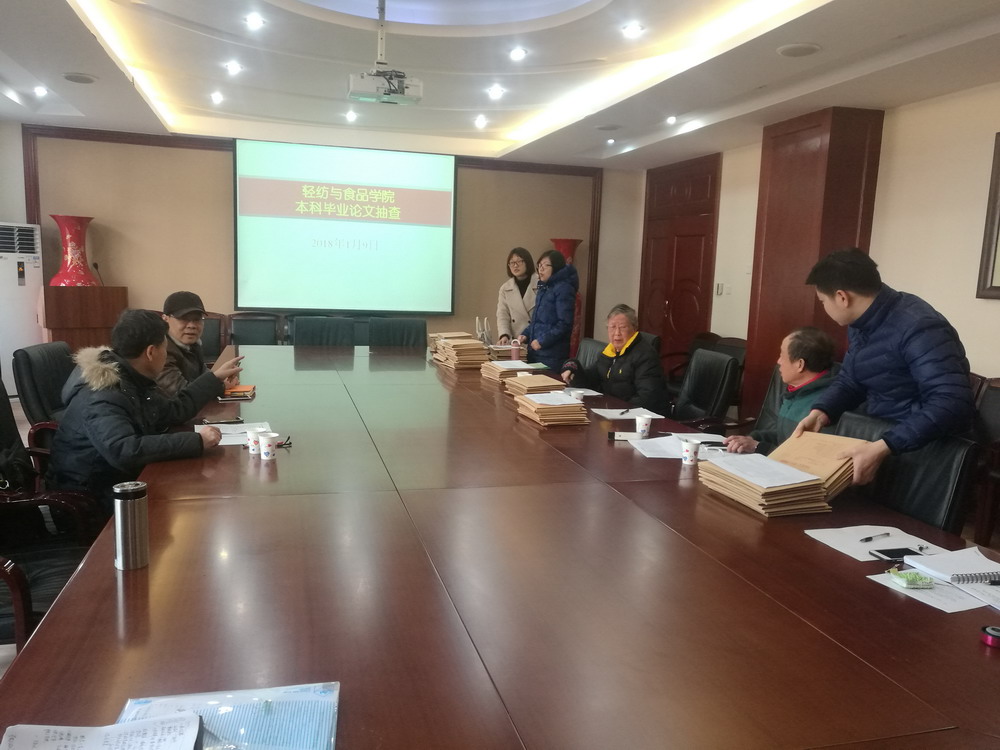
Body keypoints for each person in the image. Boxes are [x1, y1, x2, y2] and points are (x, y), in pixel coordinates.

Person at [793, 248, 974, 484]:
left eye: (823, 301)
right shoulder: (861, 322)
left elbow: (952, 401)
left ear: (842, 297)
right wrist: (821, 413)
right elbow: (851, 380)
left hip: (924, 448)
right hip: (884, 437)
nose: (824, 308)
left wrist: (886, 445)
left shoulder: (919, 326)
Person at [47, 309, 243, 514]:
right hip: (88, 501)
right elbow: (124, 450)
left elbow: (173, 410)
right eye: (165, 349)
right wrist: (197, 441)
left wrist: (213, 379)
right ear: (151, 352)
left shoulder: (131, 378)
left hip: (118, 482)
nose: (166, 355)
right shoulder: (103, 393)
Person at [724, 327, 836, 454]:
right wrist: (751, 439)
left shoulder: (825, 406)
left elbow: (806, 456)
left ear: (800, 364)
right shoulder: (796, 391)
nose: (778, 361)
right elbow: (782, 436)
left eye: (782, 355)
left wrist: (759, 447)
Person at [560, 304, 668, 413]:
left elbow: (648, 398)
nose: (617, 333)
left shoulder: (645, 355)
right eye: (612, 327)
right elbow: (588, 380)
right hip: (609, 411)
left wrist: (617, 411)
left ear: (634, 328)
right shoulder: (610, 351)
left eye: (622, 327)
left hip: (633, 416)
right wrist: (572, 366)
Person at [157, 290, 236, 397]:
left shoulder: (193, 344)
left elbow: (203, 374)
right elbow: (181, 394)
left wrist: (220, 378)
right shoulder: (160, 351)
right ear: (165, 319)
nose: (192, 325)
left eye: (197, 319)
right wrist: (220, 386)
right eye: (184, 319)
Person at [517, 250, 578, 370]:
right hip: (536, 352)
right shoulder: (544, 288)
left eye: (545, 266)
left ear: (556, 267)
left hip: (552, 356)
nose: (541, 269)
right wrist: (525, 335)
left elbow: (564, 324)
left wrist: (542, 341)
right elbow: (537, 321)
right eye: (539, 265)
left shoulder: (564, 289)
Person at [496, 248, 538, 345]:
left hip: (536, 341)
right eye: (512, 263)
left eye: (519, 261)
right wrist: (504, 335)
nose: (515, 265)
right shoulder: (505, 288)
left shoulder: (540, 284)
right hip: (516, 341)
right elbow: (502, 315)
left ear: (527, 262)